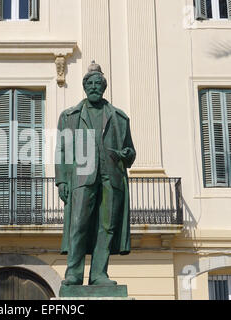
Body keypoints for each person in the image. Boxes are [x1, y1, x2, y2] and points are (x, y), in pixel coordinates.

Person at [55, 61, 136, 286]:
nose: (93, 87)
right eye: (89, 83)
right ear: (84, 86)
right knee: (78, 224)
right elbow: (61, 150)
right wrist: (61, 180)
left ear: (104, 87)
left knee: (107, 227)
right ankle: (74, 273)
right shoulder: (69, 116)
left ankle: (99, 273)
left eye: (97, 84)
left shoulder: (119, 118)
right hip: (82, 176)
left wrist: (127, 153)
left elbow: (131, 152)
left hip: (111, 177)